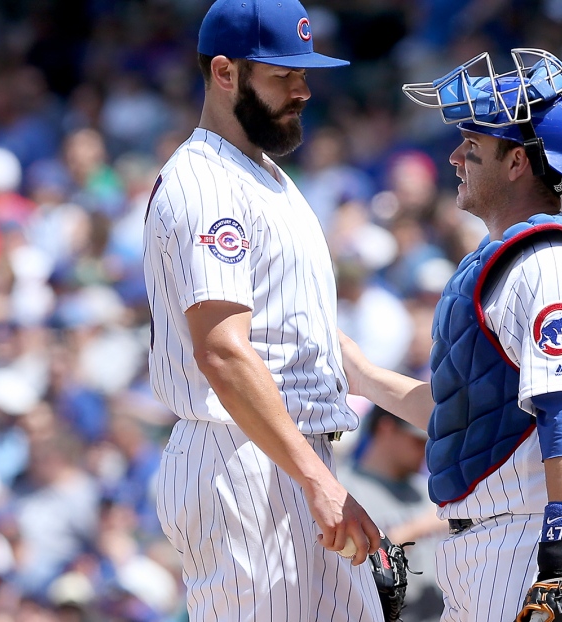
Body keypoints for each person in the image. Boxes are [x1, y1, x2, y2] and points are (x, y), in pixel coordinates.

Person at [341, 48, 562, 620]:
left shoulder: (552, 262)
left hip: (535, 542)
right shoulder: (503, 260)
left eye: (473, 147)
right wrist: (363, 374)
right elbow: (467, 414)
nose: (454, 156)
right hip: (498, 540)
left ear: (517, 164)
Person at [141, 1, 385, 619]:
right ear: (225, 73)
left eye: (304, 72)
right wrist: (315, 479)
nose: (302, 89)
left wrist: (396, 393)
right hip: (241, 458)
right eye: (282, 74)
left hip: (283, 452)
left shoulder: (263, 172)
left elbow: (293, 330)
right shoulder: (206, 184)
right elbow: (222, 349)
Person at [338, 406, 447, 621]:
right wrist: (415, 530)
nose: (425, 451)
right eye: (417, 441)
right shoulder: (342, 492)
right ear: (386, 428)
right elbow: (351, 569)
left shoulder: (430, 489)